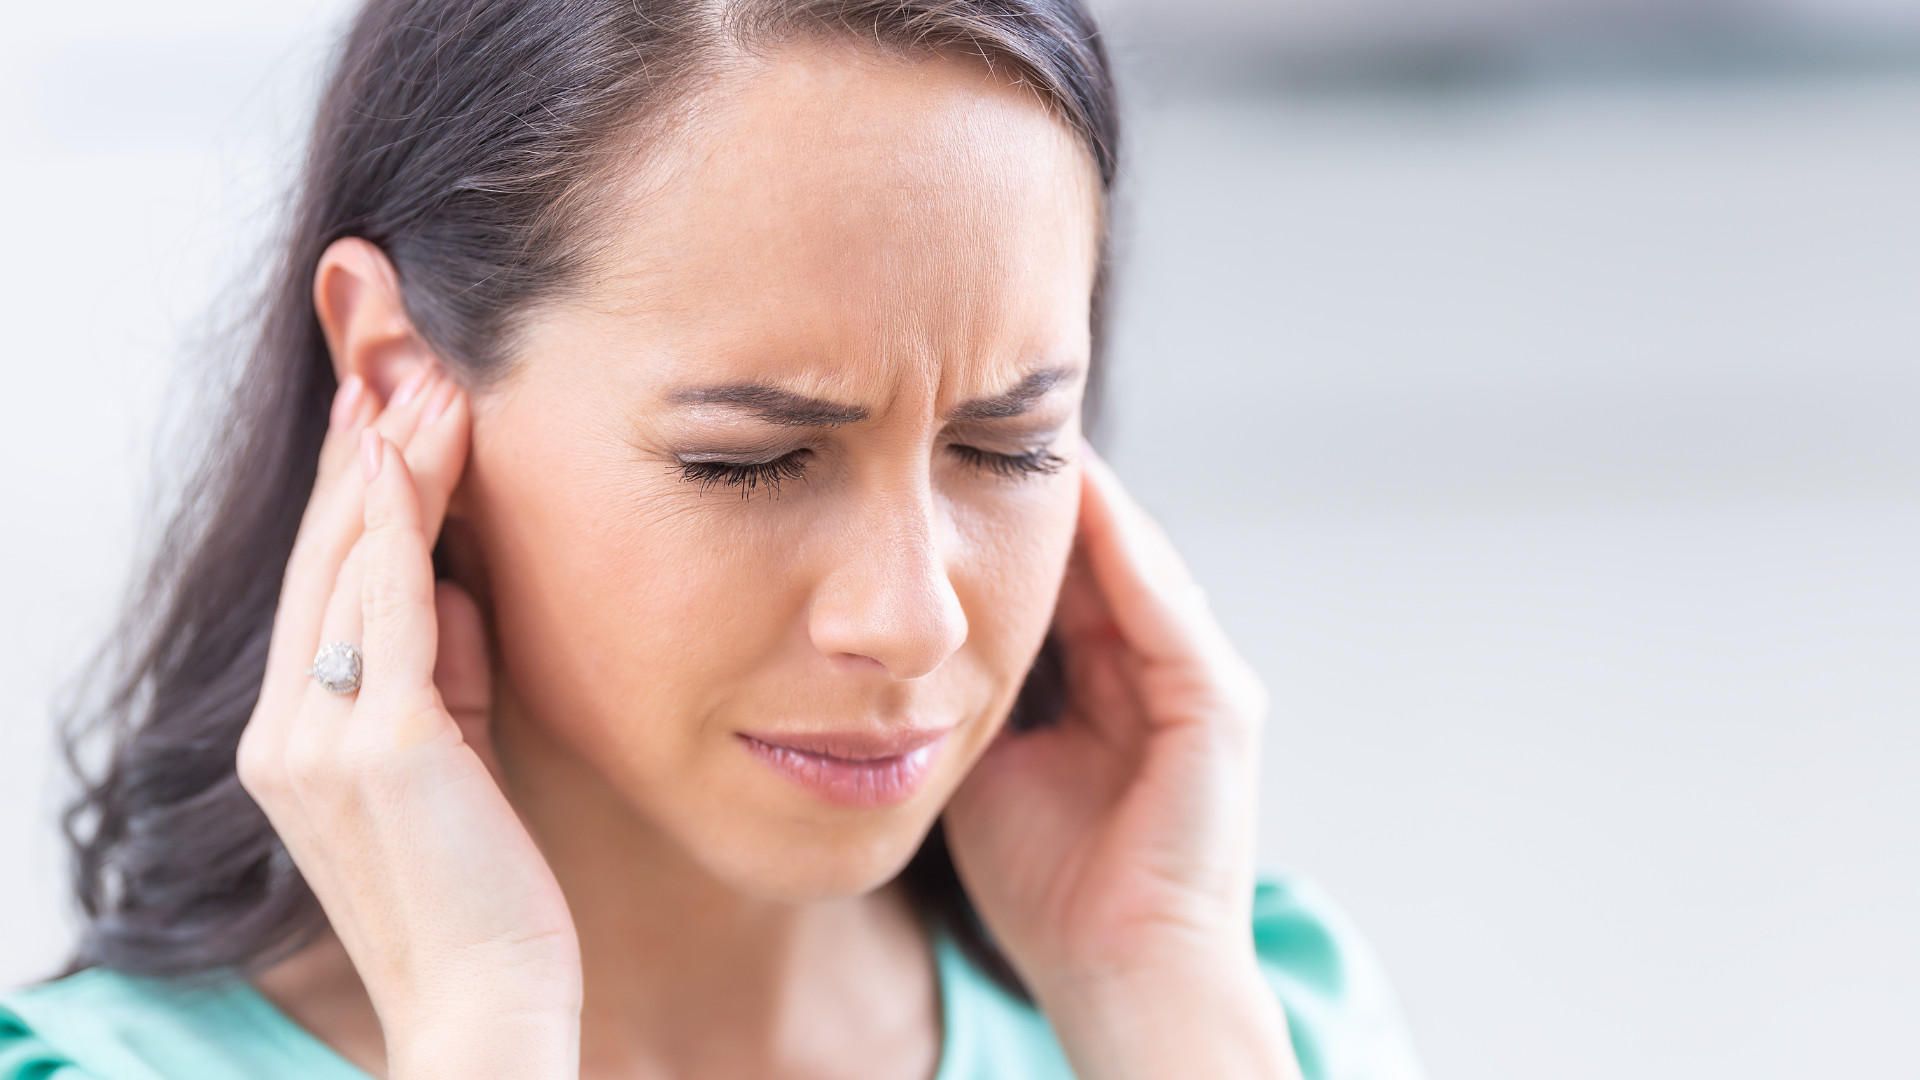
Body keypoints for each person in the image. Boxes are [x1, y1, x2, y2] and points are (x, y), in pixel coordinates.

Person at [0, 1, 1425, 1077]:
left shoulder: (1251, 1017)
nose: (916, 616)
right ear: (391, 377)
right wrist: (486, 1028)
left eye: (1008, 445)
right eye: (752, 460)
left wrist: (1153, 999)